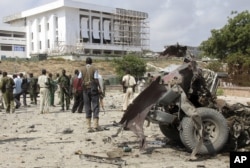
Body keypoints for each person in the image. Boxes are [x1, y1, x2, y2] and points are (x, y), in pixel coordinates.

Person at [80, 57, 102, 132]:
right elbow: (96, 79)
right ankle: (95, 125)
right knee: (95, 105)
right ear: (91, 62)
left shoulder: (81, 69)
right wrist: (99, 87)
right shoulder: (94, 69)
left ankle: (88, 126)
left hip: (85, 89)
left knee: (87, 106)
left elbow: (80, 78)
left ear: (86, 62)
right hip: (93, 88)